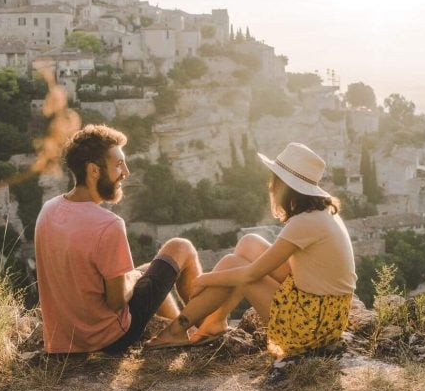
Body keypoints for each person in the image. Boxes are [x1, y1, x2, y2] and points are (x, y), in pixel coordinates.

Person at [146, 142, 356, 357]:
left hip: (310, 327)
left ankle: (178, 329)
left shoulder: (305, 222)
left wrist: (203, 280)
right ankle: (214, 322)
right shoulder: (321, 213)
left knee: (238, 268)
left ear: (284, 185)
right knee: (249, 243)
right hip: (327, 313)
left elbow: (251, 274)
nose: (270, 185)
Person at [34, 124, 202, 354]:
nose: (126, 172)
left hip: (65, 341)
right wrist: (132, 277)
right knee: (181, 247)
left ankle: (177, 332)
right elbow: (117, 301)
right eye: (119, 164)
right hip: (108, 338)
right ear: (94, 170)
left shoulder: (48, 210)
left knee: (146, 272)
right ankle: (205, 329)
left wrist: (133, 276)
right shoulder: (108, 224)